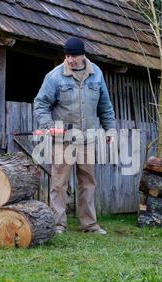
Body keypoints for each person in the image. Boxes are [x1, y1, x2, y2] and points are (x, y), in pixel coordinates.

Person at [34, 37, 116, 235]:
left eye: (74, 56)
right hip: (63, 140)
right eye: (67, 56)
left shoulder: (96, 74)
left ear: (82, 56)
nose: (70, 60)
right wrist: (48, 125)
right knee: (59, 183)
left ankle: (89, 225)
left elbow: (105, 105)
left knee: (88, 182)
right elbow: (41, 104)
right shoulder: (55, 77)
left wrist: (110, 129)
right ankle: (58, 224)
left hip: (87, 139)